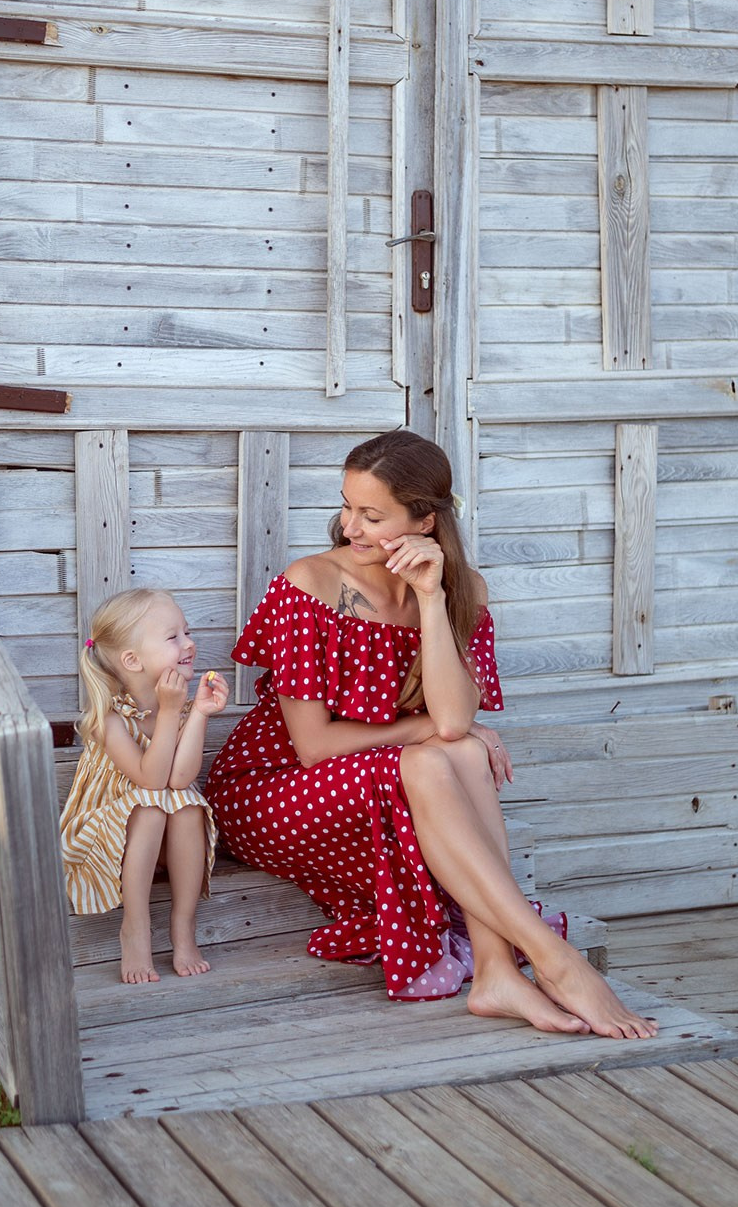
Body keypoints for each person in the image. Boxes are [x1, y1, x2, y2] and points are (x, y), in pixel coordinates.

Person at [207, 430, 657, 1040]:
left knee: (461, 748)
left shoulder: (461, 591)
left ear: (424, 520)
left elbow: (450, 722)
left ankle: (498, 972)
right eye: (346, 507)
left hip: (380, 777)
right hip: (275, 792)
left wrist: (431, 600)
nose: (350, 528)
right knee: (435, 755)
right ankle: (554, 961)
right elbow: (313, 746)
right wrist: (435, 733)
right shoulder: (309, 583)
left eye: (372, 515)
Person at [60, 587, 226, 985]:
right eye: (173, 638)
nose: (189, 644)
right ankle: (134, 928)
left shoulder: (182, 703)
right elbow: (150, 780)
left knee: (185, 805)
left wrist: (199, 713)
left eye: (187, 632)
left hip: (159, 839)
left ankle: (183, 928)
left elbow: (180, 779)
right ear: (132, 660)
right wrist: (170, 711)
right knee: (151, 805)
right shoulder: (108, 716)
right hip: (101, 838)